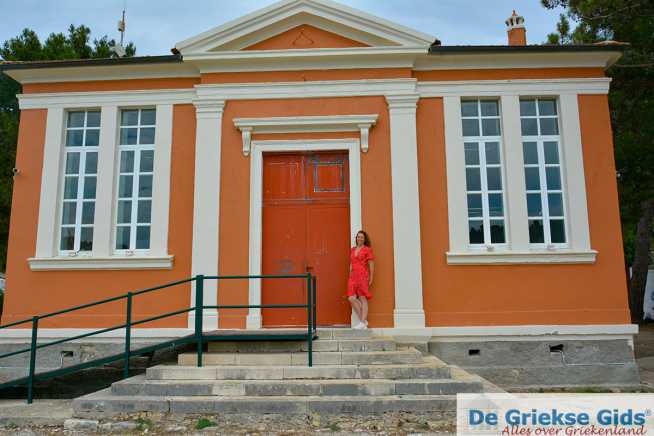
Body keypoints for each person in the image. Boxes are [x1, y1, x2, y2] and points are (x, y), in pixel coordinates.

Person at [347, 230, 374, 330]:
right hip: (353, 276)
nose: (359, 238)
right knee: (351, 298)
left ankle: (362, 322)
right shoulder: (353, 249)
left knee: (363, 298)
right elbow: (351, 263)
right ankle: (364, 321)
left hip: (363, 276)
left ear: (364, 239)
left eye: (362, 237)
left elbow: (371, 264)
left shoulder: (367, 250)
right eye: (358, 237)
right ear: (356, 238)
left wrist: (371, 277)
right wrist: (350, 275)